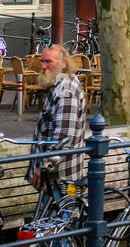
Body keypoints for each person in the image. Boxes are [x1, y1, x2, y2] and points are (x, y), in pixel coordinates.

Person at [30, 45, 88, 187]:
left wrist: (43, 167)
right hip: (56, 176)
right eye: (42, 61)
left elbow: (63, 140)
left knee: (64, 209)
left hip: (60, 178)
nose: (43, 66)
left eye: (48, 62)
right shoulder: (60, 84)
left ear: (64, 63)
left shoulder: (66, 93)